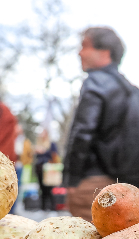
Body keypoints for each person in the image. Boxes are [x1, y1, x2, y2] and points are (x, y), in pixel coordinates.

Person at [62, 26, 131, 221]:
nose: (79, 52)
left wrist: (71, 180)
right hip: (119, 182)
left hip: (90, 183)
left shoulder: (96, 82)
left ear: (104, 52)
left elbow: (83, 133)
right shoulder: (125, 87)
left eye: (85, 46)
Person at [34, 129, 60, 212]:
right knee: (42, 188)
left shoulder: (51, 144)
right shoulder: (38, 144)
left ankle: (52, 207)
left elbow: (55, 155)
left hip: (48, 169)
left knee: (49, 189)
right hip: (39, 168)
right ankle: (43, 207)